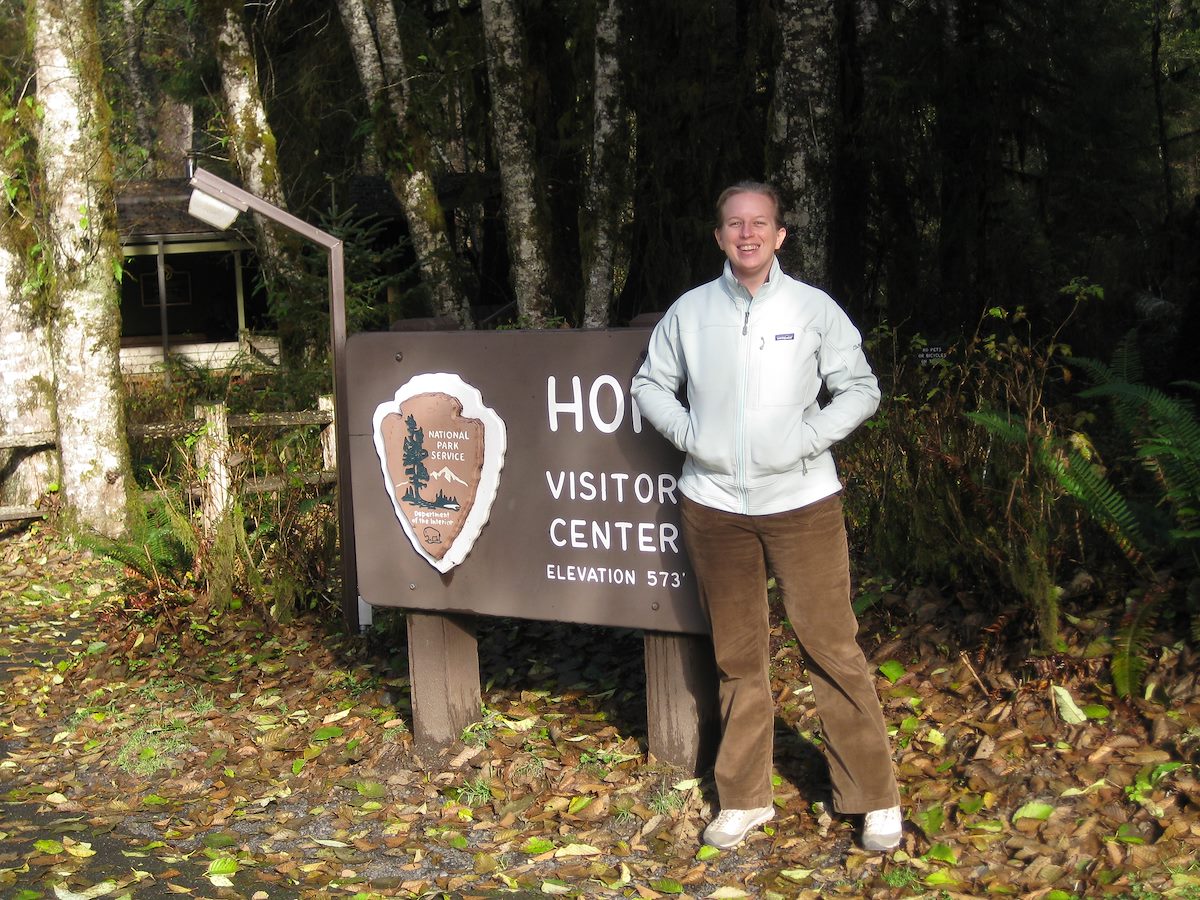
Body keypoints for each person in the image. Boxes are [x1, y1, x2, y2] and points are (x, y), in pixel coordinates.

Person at [630, 181, 901, 852]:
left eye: (760, 223)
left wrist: (806, 439)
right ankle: (745, 799)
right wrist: (694, 438)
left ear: (780, 235)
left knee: (831, 647)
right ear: (719, 237)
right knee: (738, 657)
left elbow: (860, 389)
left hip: (802, 504)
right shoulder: (690, 313)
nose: (746, 234)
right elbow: (649, 385)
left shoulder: (813, 309)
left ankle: (873, 798)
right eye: (733, 224)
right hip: (715, 508)